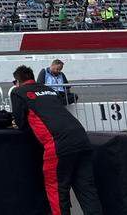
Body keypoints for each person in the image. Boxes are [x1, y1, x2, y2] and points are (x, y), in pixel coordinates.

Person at [11, 65, 103, 215]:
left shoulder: (18, 92)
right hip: (81, 137)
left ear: (18, 81)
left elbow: (21, 123)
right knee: (87, 190)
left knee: (57, 190)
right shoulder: (49, 89)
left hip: (58, 143)